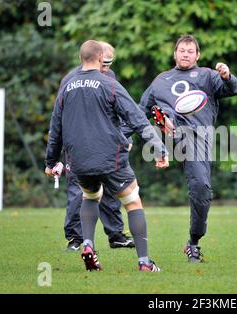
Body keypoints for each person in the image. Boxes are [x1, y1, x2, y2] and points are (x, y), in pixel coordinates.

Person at [45, 40, 169, 272]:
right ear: (101, 57)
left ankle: (89, 245)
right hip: (110, 157)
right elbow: (136, 118)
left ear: (81, 58)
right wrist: (159, 148)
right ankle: (144, 262)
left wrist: (51, 161)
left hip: (78, 161)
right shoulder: (108, 83)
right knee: (132, 202)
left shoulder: (66, 85)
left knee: (90, 197)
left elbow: (56, 128)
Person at [140, 34, 237, 263]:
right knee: (162, 114)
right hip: (175, 135)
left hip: (199, 138)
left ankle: (193, 241)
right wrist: (123, 136)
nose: (185, 54)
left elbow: (234, 89)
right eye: (181, 50)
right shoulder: (160, 80)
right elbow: (137, 111)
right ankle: (165, 121)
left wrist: (227, 76)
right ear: (174, 53)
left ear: (197, 55)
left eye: (190, 51)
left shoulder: (207, 76)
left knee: (202, 189)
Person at [60, 41, 134, 251]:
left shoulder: (109, 78)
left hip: (106, 146)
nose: (106, 68)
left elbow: (118, 113)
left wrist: (124, 138)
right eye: (105, 62)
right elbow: (60, 117)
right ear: (96, 57)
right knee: (78, 193)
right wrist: (57, 152)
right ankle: (75, 238)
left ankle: (116, 235)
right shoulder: (71, 80)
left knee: (112, 191)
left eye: (110, 64)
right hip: (80, 148)